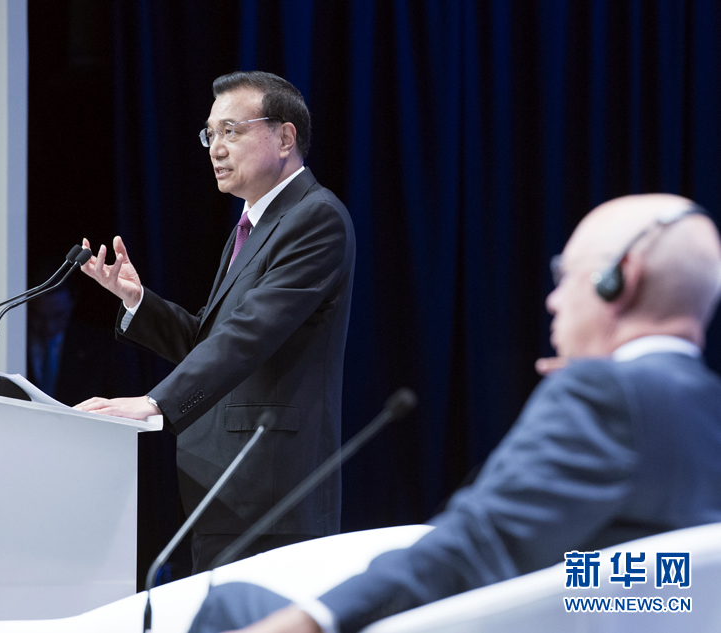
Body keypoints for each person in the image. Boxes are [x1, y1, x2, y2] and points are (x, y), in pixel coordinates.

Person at [187, 193, 721, 633]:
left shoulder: (602, 394)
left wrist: (314, 620)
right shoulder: (698, 404)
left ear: (620, 279)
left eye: (567, 275)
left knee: (231, 603)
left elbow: (479, 540)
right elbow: (637, 572)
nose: (554, 300)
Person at [74, 71, 356, 572]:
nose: (216, 148)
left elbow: (248, 337)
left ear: (284, 137)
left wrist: (154, 403)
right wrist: (139, 302)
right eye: (210, 134)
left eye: (231, 130)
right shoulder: (252, 226)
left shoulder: (316, 219)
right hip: (225, 487)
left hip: (272, 492)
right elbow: (212, 337)